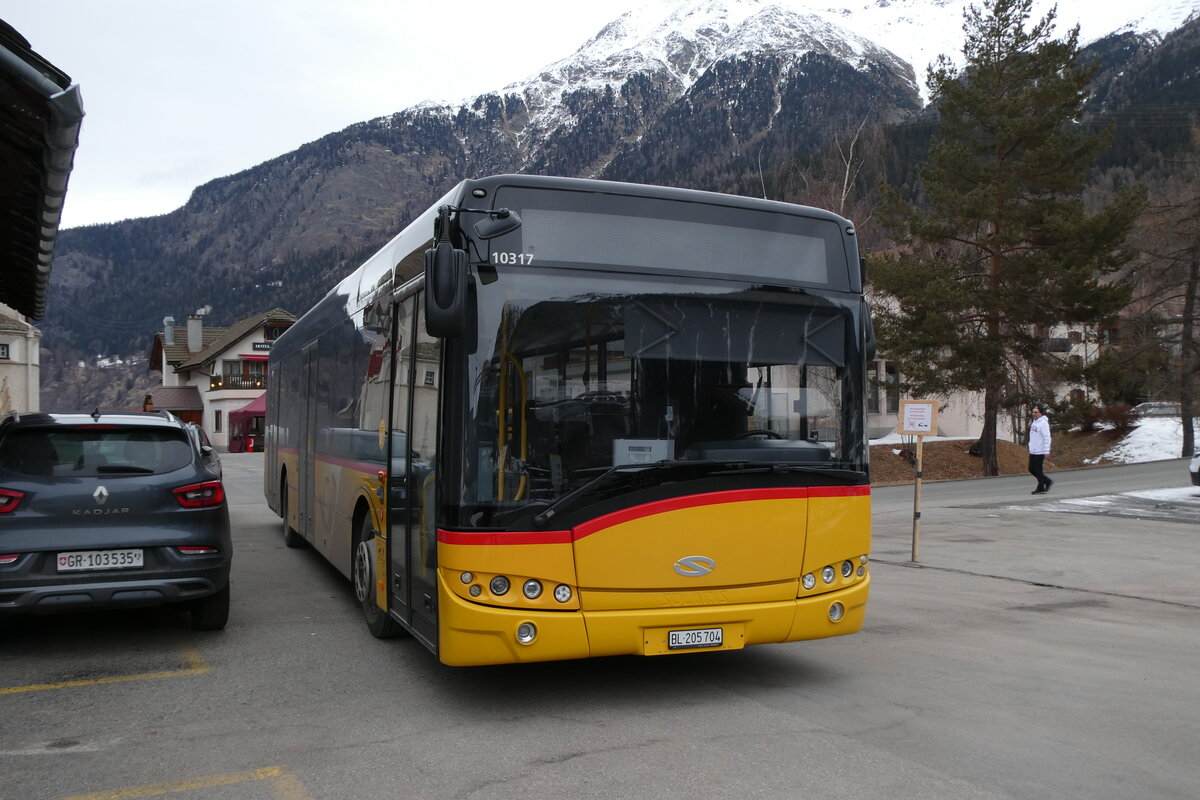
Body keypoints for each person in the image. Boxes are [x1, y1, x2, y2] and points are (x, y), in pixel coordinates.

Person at [1028, 405, 1053, 494]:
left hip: (1040, 450)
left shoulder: (1043, 423)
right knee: (1031, 468)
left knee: (1038, 469)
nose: (1034, 414)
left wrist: (1046, 450)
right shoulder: (1035, 422)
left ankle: (1041, 486)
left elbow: (1047, 437)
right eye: (1033, 412)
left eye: (1036, 412)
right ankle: (1047, 481)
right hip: (1033, 450)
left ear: (1040, 413)